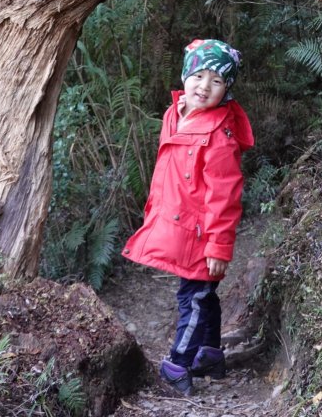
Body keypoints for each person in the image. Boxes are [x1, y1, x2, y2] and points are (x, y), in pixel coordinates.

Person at [122, 38, 254, 396]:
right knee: (202, 294)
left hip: (202, 234)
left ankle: (178, 365)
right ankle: (209, 354)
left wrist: (219, 246)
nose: (204, 86)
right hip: (180, 224)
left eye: (216, 80)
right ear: (185, 75)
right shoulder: (175, 113)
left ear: (227, 89)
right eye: (198, 75)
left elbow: (224, 196)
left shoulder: (219, 135)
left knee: (193, 297)